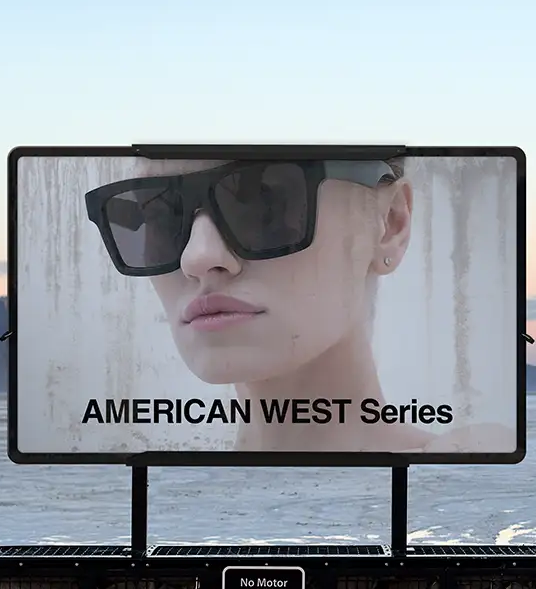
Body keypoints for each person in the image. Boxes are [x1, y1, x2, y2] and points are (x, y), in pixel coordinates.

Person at [85, 156, 437, 453]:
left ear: (390, 223)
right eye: (162, 214)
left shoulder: (464, 488)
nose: (198, 257)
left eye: (263, 202)